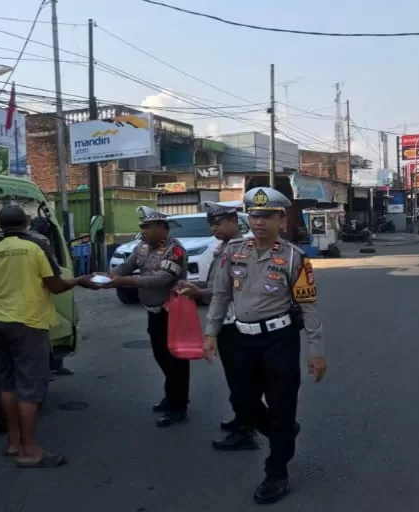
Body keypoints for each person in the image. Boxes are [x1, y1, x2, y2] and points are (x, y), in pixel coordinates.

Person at [204, 187, 328, 505]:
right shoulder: (232, 251)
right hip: (242, 339)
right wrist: (210, 334)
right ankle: (281, 433)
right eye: (254, 215)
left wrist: (316, 350)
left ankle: (277, 472)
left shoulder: (293, 258)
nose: (259, 222)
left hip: (279, 340)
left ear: (281, 219)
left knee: (282, 405)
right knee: (243, 402)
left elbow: (309, 306)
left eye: (267, 216)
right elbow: (220, 296)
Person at [0, 205, 94, 469]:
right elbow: (55, 286)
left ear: (0, 224)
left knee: (7, 384)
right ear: (27, 221)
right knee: (29, 388)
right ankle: (30, 452)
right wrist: (78, 280)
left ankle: (13, 442)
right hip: (28, 323)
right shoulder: (35, 248)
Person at [176, 202, 268, 450]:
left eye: (217, 222)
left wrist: (200, 292)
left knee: (242, 381)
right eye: (211, 223)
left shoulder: (245, 249)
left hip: (239, 324)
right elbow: (216, 283)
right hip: (226, 321)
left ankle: (257, 429)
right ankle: (243, 419)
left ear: (233, 222)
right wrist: (199, 289)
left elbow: (232, 290)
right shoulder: (222, 249)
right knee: (236, 379)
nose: (213, 227)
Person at [98, 206, 189, 428]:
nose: (144, 232)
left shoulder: (174, 250)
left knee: (176, 361)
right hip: (153, 311)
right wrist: (108, 276)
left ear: (161, 228)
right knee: (160, 355)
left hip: (172, 312)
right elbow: (126, 266)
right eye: (142, 228)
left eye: (148, 227)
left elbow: (160, 279)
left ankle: (179, 407)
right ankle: (172, 396)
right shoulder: (141, 248)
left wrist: (124, 282)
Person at [29, 217, 75, 378]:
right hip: (40, 296)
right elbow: (53, 268)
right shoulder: (41, 241)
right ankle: (50, 368)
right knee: (47, 333)